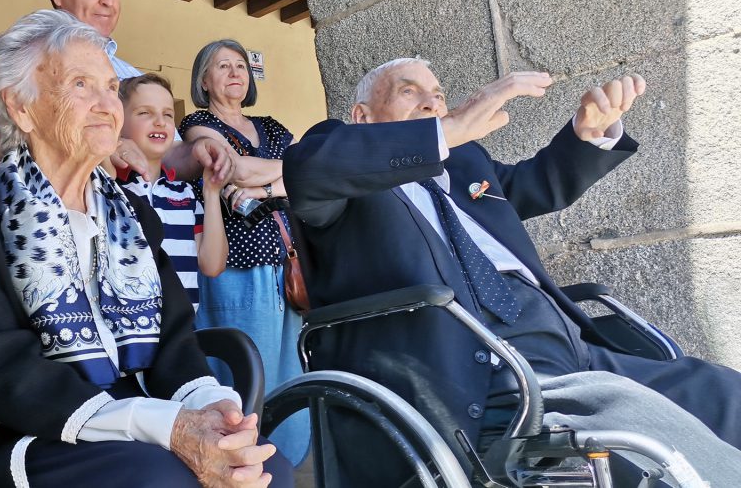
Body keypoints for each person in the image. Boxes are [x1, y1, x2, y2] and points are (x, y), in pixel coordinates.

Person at [283, 58, 741, 484]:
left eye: (439, 94)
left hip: (572, 350)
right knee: (651, 443)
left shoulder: (465, 163)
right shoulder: (336, 167)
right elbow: (310, 169)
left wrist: (587, 136)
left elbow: (536, 185)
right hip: (473, 362)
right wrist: (450, 128)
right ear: (363, 118)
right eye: (409, 91)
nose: (431, 101)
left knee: (722, 393)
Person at [0, 9, 292, 488]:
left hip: (131, 414)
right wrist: (161, 425)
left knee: (267, 469)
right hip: (8, 425)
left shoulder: (133, 214)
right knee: (158, 479)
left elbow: (174, 340)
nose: (107, 105)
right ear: (20, 107)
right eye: (81, 85)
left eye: (112, 88)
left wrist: (209, 406)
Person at [0, 0, 223, 182]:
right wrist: (102, 149)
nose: (108, 0)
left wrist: (201, 151)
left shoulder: (134, 77)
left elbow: (169, 153)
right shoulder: (17, 61)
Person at [180, 40, 309, 466]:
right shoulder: (199, 123)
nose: (235, 72)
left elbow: (308, 170)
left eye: (240, 65)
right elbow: (229, 167)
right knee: (247, 377)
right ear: (204, 80)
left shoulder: (270, 126)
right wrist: (278, 178)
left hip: (287, 265)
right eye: (222, 66)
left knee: (291, 373)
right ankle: (245, 466)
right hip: (237, 265)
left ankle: (285, 464)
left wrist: (263, 185)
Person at [117, 73, 228, 310]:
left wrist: (211, 192)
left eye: (168, 114)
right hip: (130, 327)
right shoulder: (111, 187)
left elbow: (212, 265)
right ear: (118, 122)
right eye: (145, 113)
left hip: (181, 327)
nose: (160, 121)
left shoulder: (185, 195)